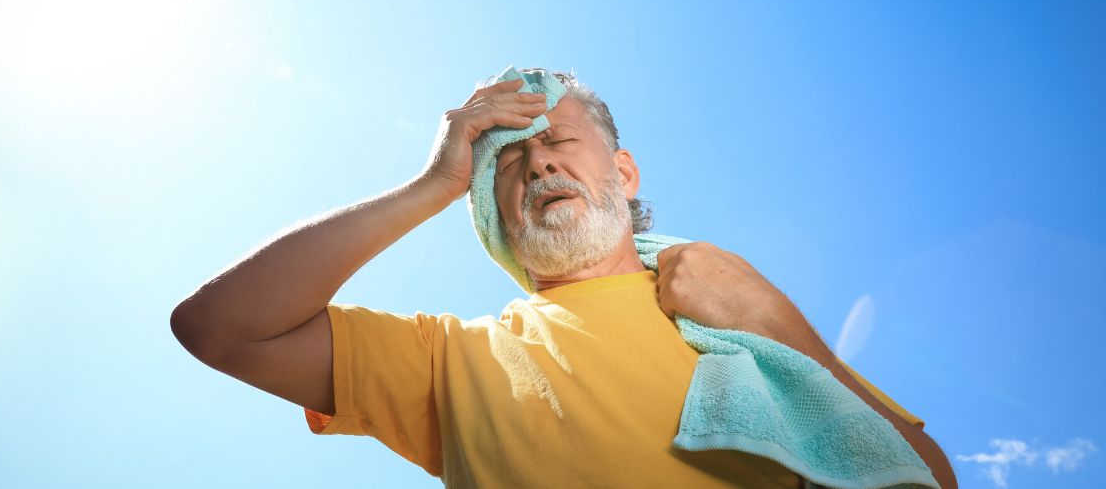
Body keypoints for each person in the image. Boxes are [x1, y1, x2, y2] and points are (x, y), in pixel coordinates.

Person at [170, 71, 957, 488]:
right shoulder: (449, 361)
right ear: (494, 216)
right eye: (508, 159)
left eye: (558, 141)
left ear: (622, 171)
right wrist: (431, 185)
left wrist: (771, 320)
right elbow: (219, 328)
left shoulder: (735, 327)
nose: (538, 159)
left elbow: (925, 479)